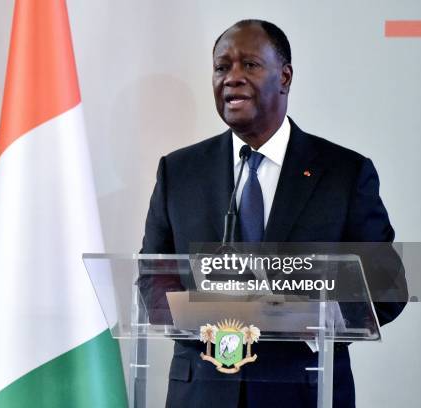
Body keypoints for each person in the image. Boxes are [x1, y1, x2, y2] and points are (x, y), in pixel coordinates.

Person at [140, 19, 406, 408]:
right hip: (201, 391)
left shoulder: (344, 173)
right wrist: (201, 318)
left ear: (285, 77)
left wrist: (312, 317)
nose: (232, 78)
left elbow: (385, 286)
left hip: (302, 391)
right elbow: (152, 278)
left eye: (249, 65)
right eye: (221, 67)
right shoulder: (179, 171)